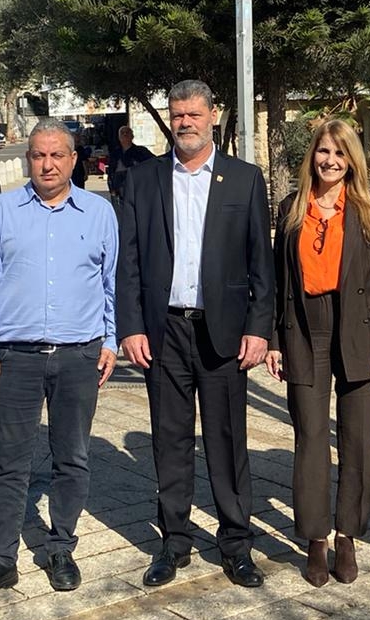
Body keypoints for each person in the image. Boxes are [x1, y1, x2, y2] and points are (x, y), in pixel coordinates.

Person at [117, 79, 275, 588]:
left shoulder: (244, 179)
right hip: (163, 331)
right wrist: (131, 327)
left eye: (193, 114)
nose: (184, 123)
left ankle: (236, 544)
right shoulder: (142, 180)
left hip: (222, 332)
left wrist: (259, 329)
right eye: (177, 114)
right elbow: (128, 262)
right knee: (170, 439)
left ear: (212, 116)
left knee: (228, 441)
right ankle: (174, 542)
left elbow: (261, 263)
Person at [0, 123, 119, 603]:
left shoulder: (99, 212)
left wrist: (111, 340)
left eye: (56, 155)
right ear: (28, 159)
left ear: (73, 160)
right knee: (10, 460)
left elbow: (111, 282)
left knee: (73, 456)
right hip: (16, 358)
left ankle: (61, 548)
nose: (47, 165)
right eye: (38, 155)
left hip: (79, 355)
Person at [266, 118, 370, 587]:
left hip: (359, 330)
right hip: (305, 329)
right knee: (311, 438)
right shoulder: (291, 207)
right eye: (324, 151)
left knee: (359, 440)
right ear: (313, 156)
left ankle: (347, 535)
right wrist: (275, 341)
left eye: (340, 153)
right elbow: (279, 281)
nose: (331, 160)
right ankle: (316, 538)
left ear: (352, 160)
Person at [108, 125, 154, 201]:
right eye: (122, 133)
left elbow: (153, 163)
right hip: (119, 188)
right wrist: (112, 189)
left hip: (137, 187)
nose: (125, 134)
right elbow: (111, 172)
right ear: (119, 137)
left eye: (127, 132)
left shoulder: (141, 151)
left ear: (132, 136)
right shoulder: (114, 153)